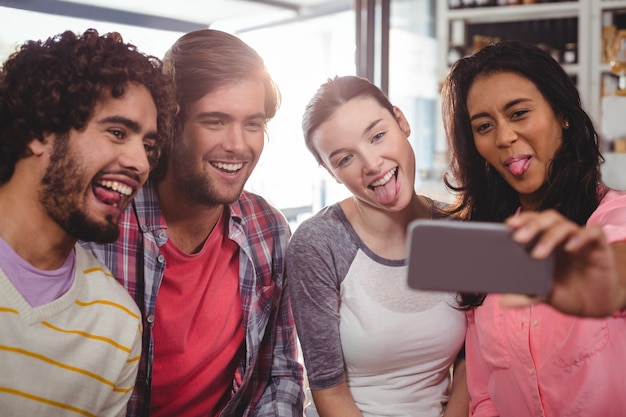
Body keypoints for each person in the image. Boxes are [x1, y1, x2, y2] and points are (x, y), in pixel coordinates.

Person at [82, 28, 305, 417]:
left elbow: (280, 375)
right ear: (170, 125)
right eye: (215, 121)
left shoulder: (268, 230)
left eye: (253, 124)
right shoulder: (103, 228)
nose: (238, 145)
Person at [440, 40, 626, 417]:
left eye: (519, 113)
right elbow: (484, 392)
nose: (503, 137)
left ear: (562, 114)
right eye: (484, 126)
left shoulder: (613, 216)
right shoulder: (482, 247)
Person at [0, 29, 173, 416]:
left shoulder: (116, 325)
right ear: (37, 132)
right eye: (117, 132)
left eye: (147, 146)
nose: (142, 164)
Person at [286, 75, 468, 417]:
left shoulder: (457, 229)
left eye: (378, 135)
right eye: (344, 159)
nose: (371, 164)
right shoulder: (318, 243)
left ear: (402, 120)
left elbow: (471, 366)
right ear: (330, 172)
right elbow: (329, 392)